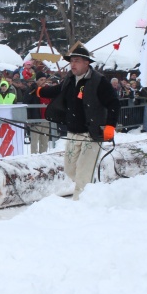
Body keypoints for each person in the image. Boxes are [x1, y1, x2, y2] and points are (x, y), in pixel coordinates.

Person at [37, 44, 120, 198]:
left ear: (86, 62)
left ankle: (81, 202)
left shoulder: (99, 81)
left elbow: (114, 103)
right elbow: (58, 90)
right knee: (70, 169)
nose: (72, 64)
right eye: (71, 61)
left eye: (76, 61)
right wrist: (42, 91)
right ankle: (90, 189)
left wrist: (110, 125)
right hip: (73, 131)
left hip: (92, 133)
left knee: (83, 171)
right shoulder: (69, 78)